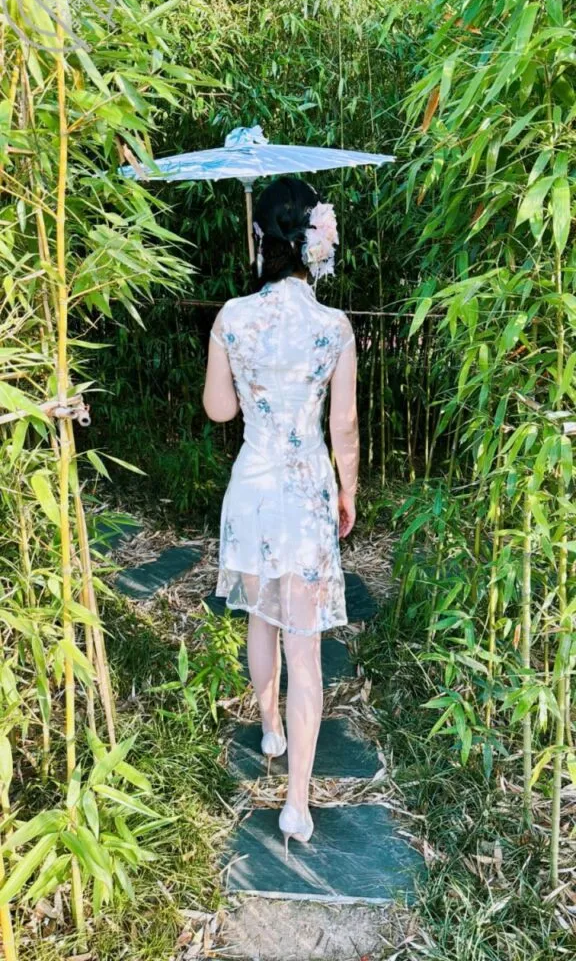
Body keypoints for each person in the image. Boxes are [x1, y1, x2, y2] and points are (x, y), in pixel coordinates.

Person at [202, 176, 359, 858]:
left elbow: (219, 411)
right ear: (315, 241)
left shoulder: (233, 316)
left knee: (259, 616)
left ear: (262, 238)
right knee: (305, 646)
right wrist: (349, 491)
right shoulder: (333, 327)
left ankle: (269, 728)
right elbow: (343, 425)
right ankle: (297, 804)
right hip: (305, 495)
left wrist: (244, 373)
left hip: (252, 490)